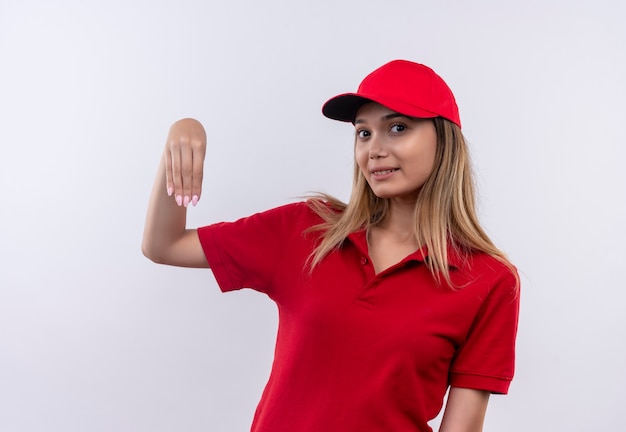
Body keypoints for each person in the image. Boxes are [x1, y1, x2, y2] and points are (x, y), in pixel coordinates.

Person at [142, 59, 520, 432]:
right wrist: (180, 136)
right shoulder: (308, 230)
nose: (373, 150)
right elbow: (165, 245)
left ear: (445, 140)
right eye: (363, 133)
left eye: (398, 128)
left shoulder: (490, 281)